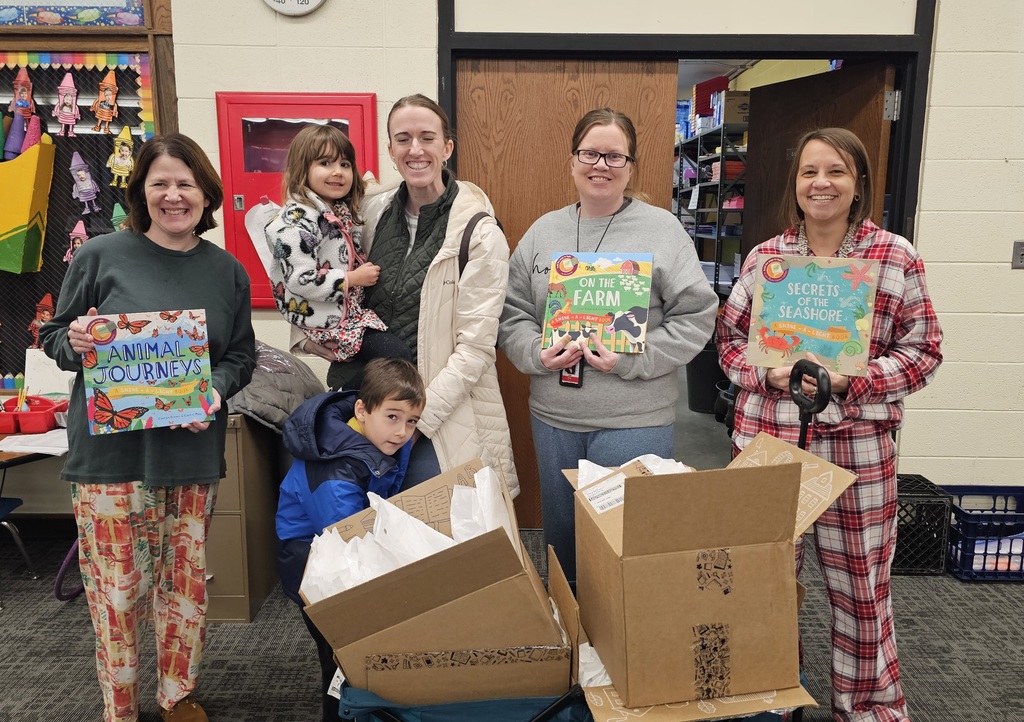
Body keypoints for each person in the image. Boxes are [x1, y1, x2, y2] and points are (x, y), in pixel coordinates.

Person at [716, 127, 943, 722]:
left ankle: (866, 709)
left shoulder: (895, 257)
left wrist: (854, 380)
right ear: (795, 186)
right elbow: (729, 342)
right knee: (763, 584)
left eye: (837, 171)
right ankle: (769, 704)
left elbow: (924, 352)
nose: (822, 184)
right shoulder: (768, 261)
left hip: (858, 451)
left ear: (859, 183)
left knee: (862, 593)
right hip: (769, 442)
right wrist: (768, 374)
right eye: (810, 172)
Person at [40, 133, 257, 722]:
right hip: (109, 460)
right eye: (160, 182)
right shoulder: (100, 255)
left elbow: (241, 356)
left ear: (205, 193)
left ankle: (176, 696)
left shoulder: (226, 271)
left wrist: (211, 390)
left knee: (183, 591)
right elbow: (55, 335)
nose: (173, 195)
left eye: (185, 183)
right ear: (141, 190)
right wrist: (75, 340)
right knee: (117, 594)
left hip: (189, 456)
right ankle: (120, 708)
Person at [498, 107, 719, 586]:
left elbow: (697, 315)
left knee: (623, 554)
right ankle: (573, 642)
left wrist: (634, 359)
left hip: (634, 420)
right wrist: (535, 353)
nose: (601, 165)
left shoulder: (662, 230)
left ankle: (620, 653)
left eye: (614, 156)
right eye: (590, 153)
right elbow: (511, 313)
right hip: (555, 417)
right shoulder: (542, 233)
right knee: (563, 545)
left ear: (631, 166)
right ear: (572, 161)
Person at [299, 94, 518, 494]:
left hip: (439, 420)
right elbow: (313, 277)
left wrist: (411, 422)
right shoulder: (369, 213)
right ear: (390, 151)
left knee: (431, 539)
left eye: (427, 138)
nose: (415, 149)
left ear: (447, 148)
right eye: (403, 139)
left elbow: (476, 351)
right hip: (361, 405)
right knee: (362, 535)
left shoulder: (479, 233)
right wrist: (312, 340)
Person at [276, 357, 425, 722]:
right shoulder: (336, 470)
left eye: (411, 421)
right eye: (393, 416)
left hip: (340, 551)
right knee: (340, 657)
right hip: (314, 564)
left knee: (357, 650)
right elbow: (347, 536)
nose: (402, 431)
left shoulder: (375, 439)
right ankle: (339, 713)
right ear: (362, 409)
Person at [266, 124, 409, 388]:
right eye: (325, 162)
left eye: (345, 164)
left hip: (347, 314)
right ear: (302, 168)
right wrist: (352, 278)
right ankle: (344, 400)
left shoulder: (336, 210)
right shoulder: (296, 221)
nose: (337, 172)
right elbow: (300, 279)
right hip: (331, 322)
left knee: (388, 358)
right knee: (397, 356)